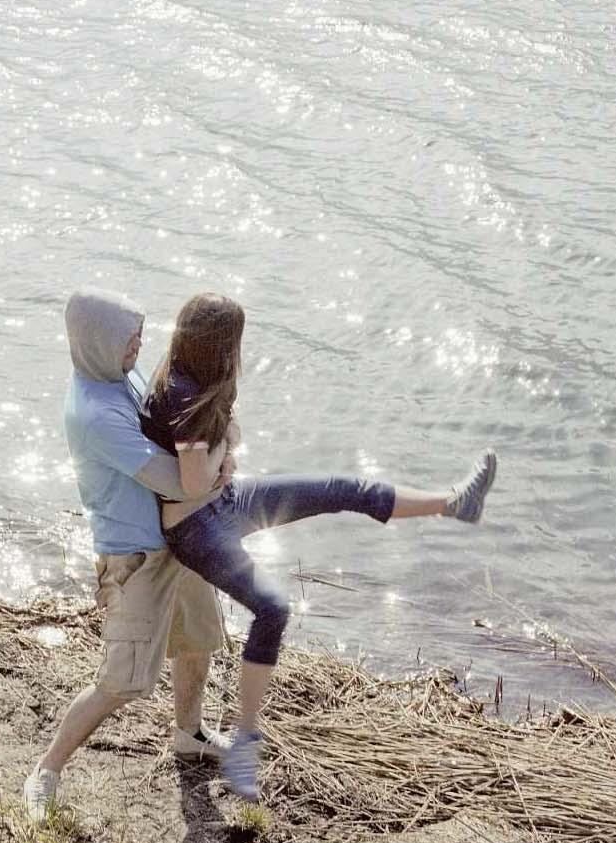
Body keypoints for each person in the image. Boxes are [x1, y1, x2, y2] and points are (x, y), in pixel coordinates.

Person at [141, 291, 497, 803]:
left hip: (225, 502)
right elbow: (195, 482)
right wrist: (229, 444)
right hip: (197, 527)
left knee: (340, 488)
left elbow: (211, 468)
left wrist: (225, 452)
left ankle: (454, 503)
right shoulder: (181, 393)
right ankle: (245, 742)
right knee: (273, 608)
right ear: (218, 344)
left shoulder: (194, 381)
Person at [23, 290, 233, 825]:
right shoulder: (95, 413)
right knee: (122, 681)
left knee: (197, 639)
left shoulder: (122, 375)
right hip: (134, 558)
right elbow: (177, 483)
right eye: (128, 339)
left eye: (139, 334)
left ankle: (189, 734)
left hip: (176, 538)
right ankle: (46, 770)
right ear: (98, 343)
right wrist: (225, 457)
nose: (140, 345)